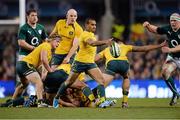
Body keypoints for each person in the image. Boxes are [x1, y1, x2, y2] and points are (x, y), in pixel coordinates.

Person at [52, 18, 113, 108]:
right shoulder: (85, 35)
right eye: (92, 25)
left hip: (90, 63)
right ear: (87, 25)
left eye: (95, 25)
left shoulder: (91, 34)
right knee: (68, 82)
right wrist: (105, 42)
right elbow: (92, 43)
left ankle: (102, 101)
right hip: (80, 63)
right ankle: (56, 98)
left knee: (101, 81)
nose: (94, 26)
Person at [95, 39, 166, 108]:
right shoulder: (125, 46)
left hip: (112, 64)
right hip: (124, 64)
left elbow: (95, 59)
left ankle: (101, 100)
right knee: (126, 77)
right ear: (120, 42)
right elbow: (144, 48)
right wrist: (159, 45)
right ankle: (125, 103)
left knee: (101, 82)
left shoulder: (106, 50)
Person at [143, 13, 180, 106]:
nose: (173, 22)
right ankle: (175, 93)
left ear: (179, 21)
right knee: (164, 71)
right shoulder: (168, 28)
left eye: (175, 20)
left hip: (174, 52)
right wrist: (148, 25)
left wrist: (170, 49)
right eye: (171, 20)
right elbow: (156, 30)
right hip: (173, 57)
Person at [12, 9, 48, 101]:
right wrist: (34, 49)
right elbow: (21, 42)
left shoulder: (41, 28)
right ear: (27, 17)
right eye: (32, 15)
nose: (35, 17)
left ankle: (39, 99)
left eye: (36, 15)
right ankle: (14, 100)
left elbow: (45, 42)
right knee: (25, 83)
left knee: (45, 77)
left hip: (37, 58)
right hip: (25, 58)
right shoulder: (24, 28)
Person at [16, 35, 60, 107]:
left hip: (21, 65)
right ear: (51, 40)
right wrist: (51, 70)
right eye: (57, 41)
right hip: (26, 64)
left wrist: (44, 76)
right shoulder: (46, 45)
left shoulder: (49, 52)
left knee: (23, 85)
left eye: (59, 42)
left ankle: (13, 102)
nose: (58, 44)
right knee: (38, 83)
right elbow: (43, 60)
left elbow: (42, 67)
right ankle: (40, 103)